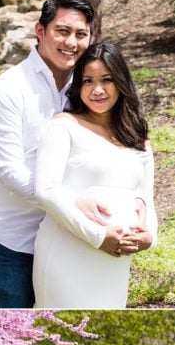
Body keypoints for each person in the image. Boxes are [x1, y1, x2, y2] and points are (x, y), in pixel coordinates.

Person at [0, 0, 109, 308]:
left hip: (71, 239)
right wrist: (70, 202)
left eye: (81, 34)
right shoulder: (10, 89)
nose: (71, 42)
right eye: (62, 31)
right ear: (41, 31)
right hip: (15, 244)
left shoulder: (88, 91)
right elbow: (11, 173)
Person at [32, 40, 158, 308]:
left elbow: (146, 199)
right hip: (67, 254)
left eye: (107, 80)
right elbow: (46, 190)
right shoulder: (62, 127)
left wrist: (149, 237)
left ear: (121, 82)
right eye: (88, 81)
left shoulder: (137, 138)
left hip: (115, 261)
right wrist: (99, 237)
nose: (97, 90)